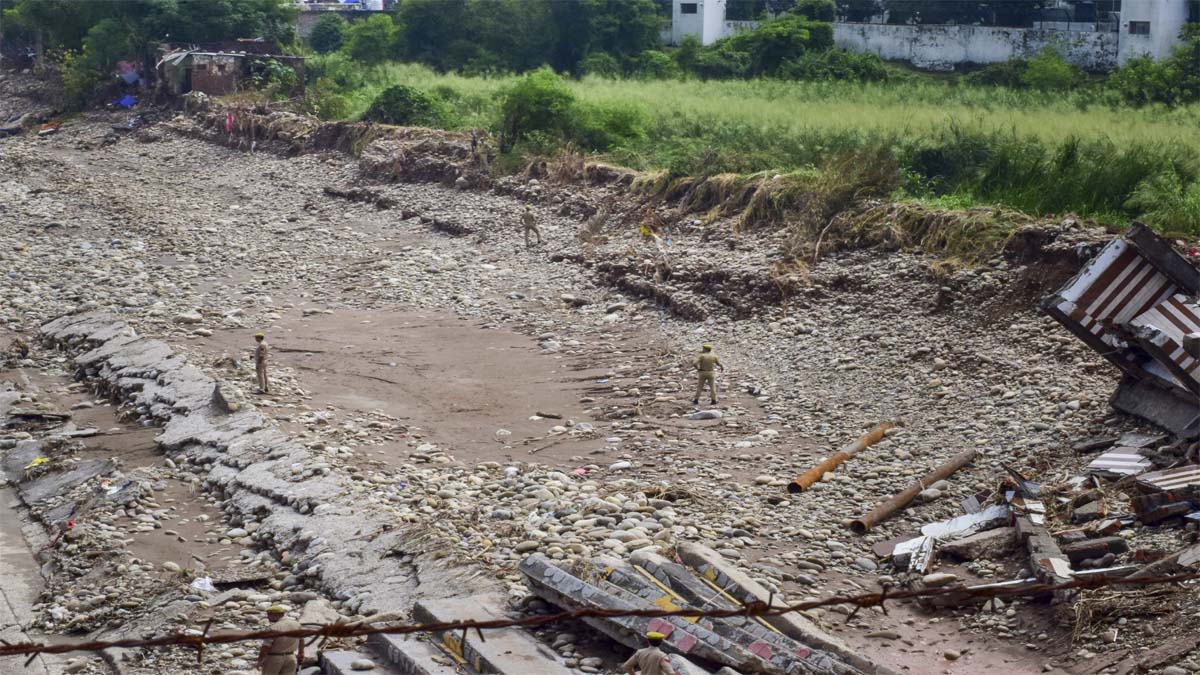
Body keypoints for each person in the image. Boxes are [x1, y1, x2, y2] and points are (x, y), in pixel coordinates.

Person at [257, 605, 303, 675]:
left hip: (274, 658)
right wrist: (301, 653)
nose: (268, 617)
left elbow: (266, 647)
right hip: (291, 657)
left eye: (269, 615)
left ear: (275, 615)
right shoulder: (297, 624)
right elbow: (301, 640)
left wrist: (260, 660)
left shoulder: (273, 628)